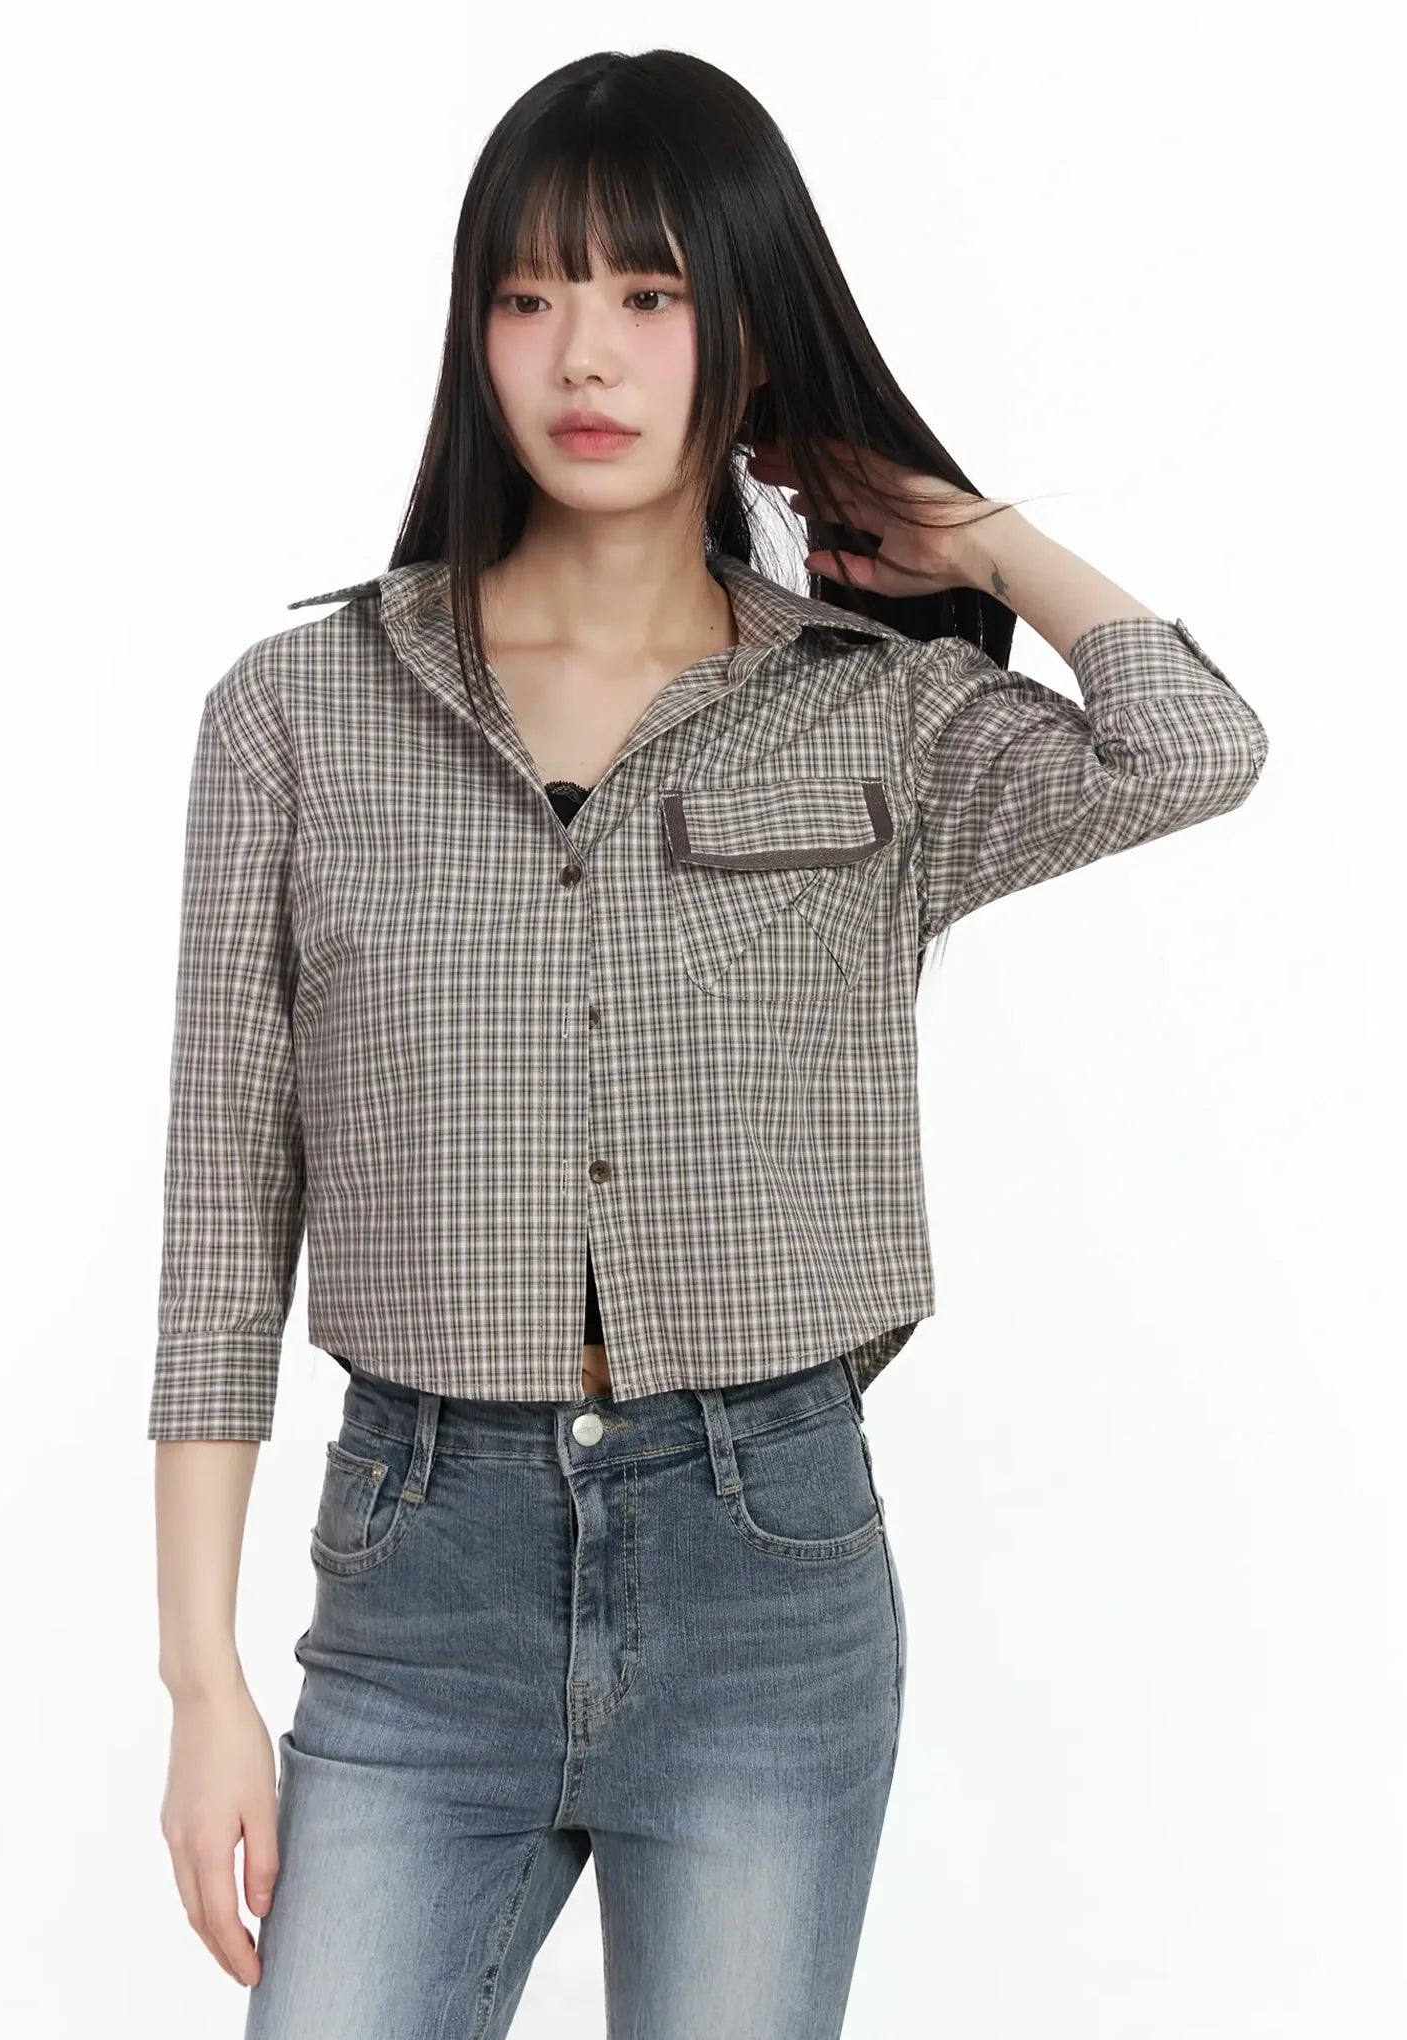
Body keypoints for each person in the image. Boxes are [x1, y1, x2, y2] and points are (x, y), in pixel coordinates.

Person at [150, 48, 1268, 2039]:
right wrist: (201, 1686)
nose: (583, 352)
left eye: (649, 294)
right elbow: (225, 1218)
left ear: (746, 334)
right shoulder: (300, 714)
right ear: (475, 336)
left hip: (770, 1572)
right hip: (416, 1586)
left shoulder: (878, 716)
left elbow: (1195, 748)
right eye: (529, 294)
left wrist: (974, 534)